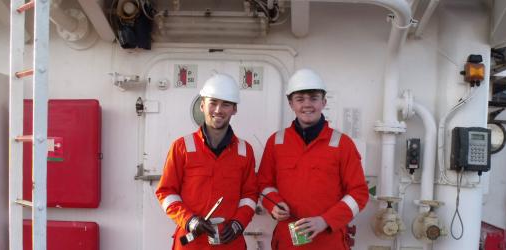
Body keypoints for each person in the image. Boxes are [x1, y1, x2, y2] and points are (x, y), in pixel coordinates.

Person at [257, 68, 369, 249]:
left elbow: (359, 194)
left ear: (324, 102)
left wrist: (325, 220)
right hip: (287, 240)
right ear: (291, 104)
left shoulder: (342, 144)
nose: (307, 104)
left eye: (313, 98)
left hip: (328, 240)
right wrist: (274, 205)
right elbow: (263, 184)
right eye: (300, 99)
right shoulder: (276, 142)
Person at [156, 73, 258, 250]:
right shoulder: (181, 147)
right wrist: (190, 220)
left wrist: (238, 223)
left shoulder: (244, 151)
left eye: (226, 104)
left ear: (234, 109)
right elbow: (166, 192)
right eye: (213, 103)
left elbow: (249, 195)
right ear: (202, 105)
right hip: (191, 243)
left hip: (230, 243)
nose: (218, 110)